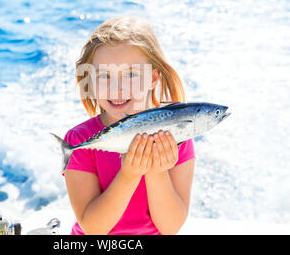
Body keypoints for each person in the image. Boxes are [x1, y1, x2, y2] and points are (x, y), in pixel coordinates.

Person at [63, 16, 195, 235]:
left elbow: (170, 228)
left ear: (153, 79)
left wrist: (156, 171)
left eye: (131, 74)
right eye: (104, 76)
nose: (117, 88)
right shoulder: (79, 141)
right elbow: (94, 229)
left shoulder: (178, 134)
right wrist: (129, 174)